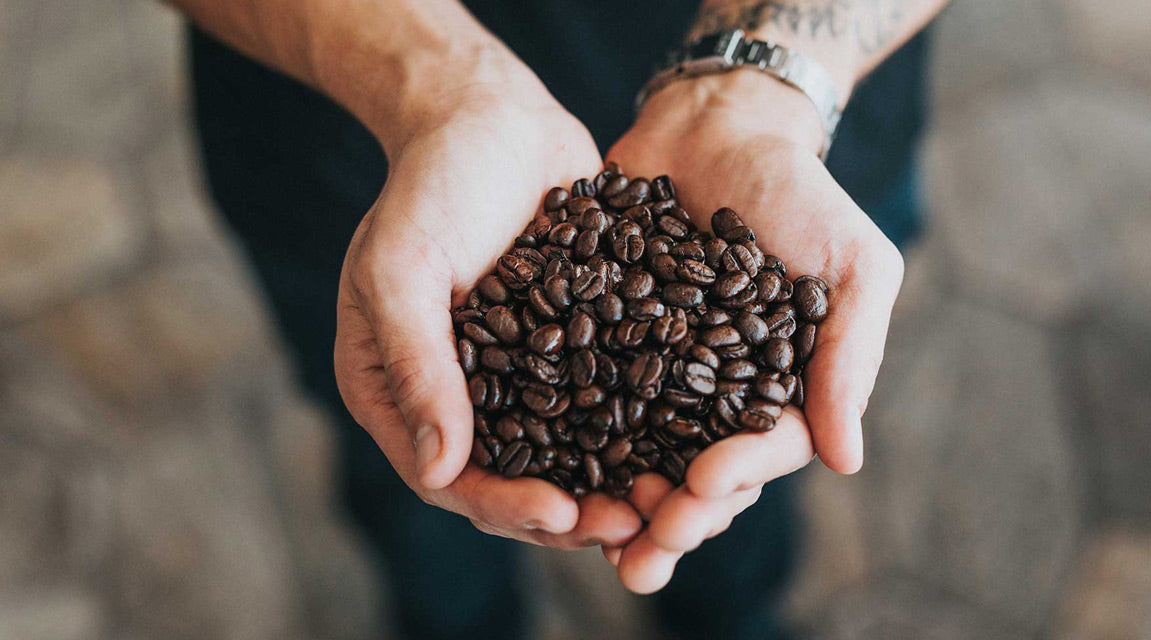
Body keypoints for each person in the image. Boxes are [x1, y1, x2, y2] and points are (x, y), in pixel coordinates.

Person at [171, 0, 946, 637]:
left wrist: (759, 86)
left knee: (739, 488)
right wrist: (437, 80)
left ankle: (733, 619)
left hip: (791, 139)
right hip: (361, 128)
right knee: (421, 452)